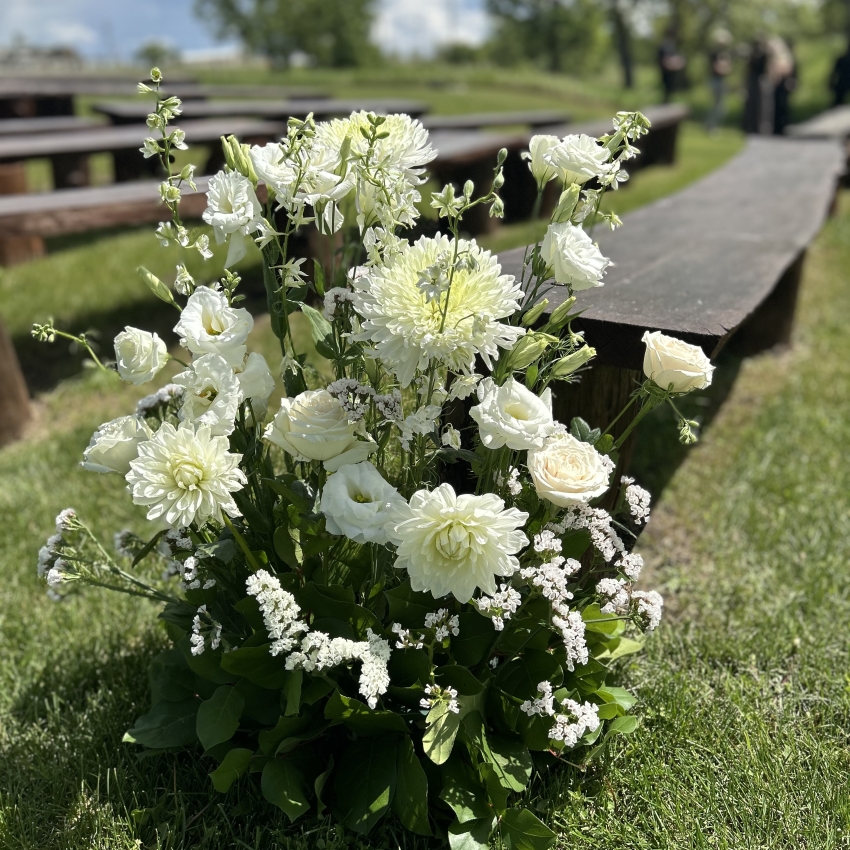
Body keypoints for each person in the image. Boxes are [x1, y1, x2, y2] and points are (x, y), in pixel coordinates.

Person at [706, 28, 733, 132]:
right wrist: (724, 68)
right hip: (715, 81)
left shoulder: (725, 54)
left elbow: (728, 68)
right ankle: (711, 127)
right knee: (717, 106)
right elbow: (718, 69)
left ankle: (711, 126)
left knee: (721, 107)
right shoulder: (714, 54)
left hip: (721, 81)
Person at [770, 37, 797, 135]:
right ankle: (777, 127)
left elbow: (789, 71)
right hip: (776, 85)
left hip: (783, 85)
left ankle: (783, 126)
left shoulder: (785, 57)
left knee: (783, 106)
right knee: (776, 106)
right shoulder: (774, 58)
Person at [742, 38, 767, 134]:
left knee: (760, 104)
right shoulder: (751, 56)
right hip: (752, 80)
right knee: (751, 104)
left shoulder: (764, 56)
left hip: (760, 80)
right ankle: (749, 126)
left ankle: (758, 127)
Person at [657, 27, 686, 103]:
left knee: (671, 90)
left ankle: (668, 103)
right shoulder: (665, 45)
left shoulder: (672, 45)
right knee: (667, 89)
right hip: (666, 71)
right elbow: (665, 59)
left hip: (671, 71)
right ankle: (665, 104)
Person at [829, 41, 850, 106]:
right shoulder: (842, 59)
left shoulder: (842, 59)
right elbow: (834, 73)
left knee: (838, 103)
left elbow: (834, 73)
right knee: (838, 103)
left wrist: (830, 83)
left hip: (842, 83)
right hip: (842, 83)